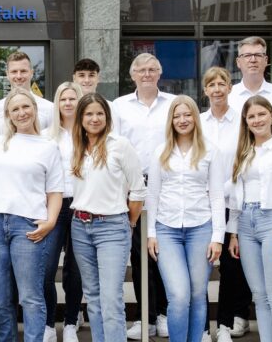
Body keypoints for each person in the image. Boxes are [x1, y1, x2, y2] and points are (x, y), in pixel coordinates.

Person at [0, 87, 64, 342]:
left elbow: (55, 191)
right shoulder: (0, 143)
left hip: (27, 225)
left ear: (35, 110)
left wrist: (50, 222)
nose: (21, 112)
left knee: (30, 296)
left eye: (26, 107)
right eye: (15, 109)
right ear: (8, 115)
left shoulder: (48, 146)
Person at [145, 95, 227, 342]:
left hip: (201, 228)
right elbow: (153, 195)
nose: (182, 120)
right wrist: (151, 234)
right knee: (179, 296)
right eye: (177, 115)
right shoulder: (161, 151)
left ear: (195, 117)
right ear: (171, 120)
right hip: (166, 230)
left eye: (187, 114)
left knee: (197, 294)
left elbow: (217, 197)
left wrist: (218, 237)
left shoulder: (211, 150)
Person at [69, 93, 146, 342]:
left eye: (99, 113)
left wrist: (130, 223)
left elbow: (138, 189)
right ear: (80, 118)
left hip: (112, 226)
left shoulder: (120, 145)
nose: (94, 118)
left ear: (107, 116)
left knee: (111, 298)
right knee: (92, 295)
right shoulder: (75, 148)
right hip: (80, 226)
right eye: (89, 114)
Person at [227, 95, 272, 342]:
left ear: (271, 115)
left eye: (261, 114)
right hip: (246, 223)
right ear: (245, 122)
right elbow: (238, 193)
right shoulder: (245, 151)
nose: (257, 120)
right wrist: (234, 232)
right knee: (259, 294)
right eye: (251, 116)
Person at [112, 53, 172, 339]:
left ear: (159, 73)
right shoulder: (120, 106)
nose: (146, 74)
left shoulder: (173, 104)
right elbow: (115, 147)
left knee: (163, 252)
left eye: (152, 69)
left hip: (169, 187)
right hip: (133, 188)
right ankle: (145, 318)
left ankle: (164, 314)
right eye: (141, 70)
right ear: (132, 75)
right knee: (138, 255)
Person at [199, 67, 251, 342]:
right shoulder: (198, 122)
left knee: (231, 267)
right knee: (202, 266)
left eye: (222, 83)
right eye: (212, 85)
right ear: (205, 90)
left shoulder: (242, 122)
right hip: (202, 204)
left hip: (233, 201)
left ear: (230, 88)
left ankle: (225, 325)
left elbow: (244, 161)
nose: (217, 89)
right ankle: (205, 328)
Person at [43, 81, 86, 341]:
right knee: (47, 268)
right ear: (57, 103)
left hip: (82, 205)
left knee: (75, 269)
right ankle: (49, 324)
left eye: (72, 99)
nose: (68, 103)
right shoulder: (47, 135)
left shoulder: (88, 133)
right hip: (53, 206)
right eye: (63, 99)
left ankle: (71, 321)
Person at [0, 51, 55, 129]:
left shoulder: (49, 108)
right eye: (14, 72)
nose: (19, 76)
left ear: (31, 73)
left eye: (23, 71)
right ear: (7, 74)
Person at [227, 36, 272, 111]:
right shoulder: (228, 96)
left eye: (258, 55)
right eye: (247, 55)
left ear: (266, 60)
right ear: (238, 62)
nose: (253, 60)